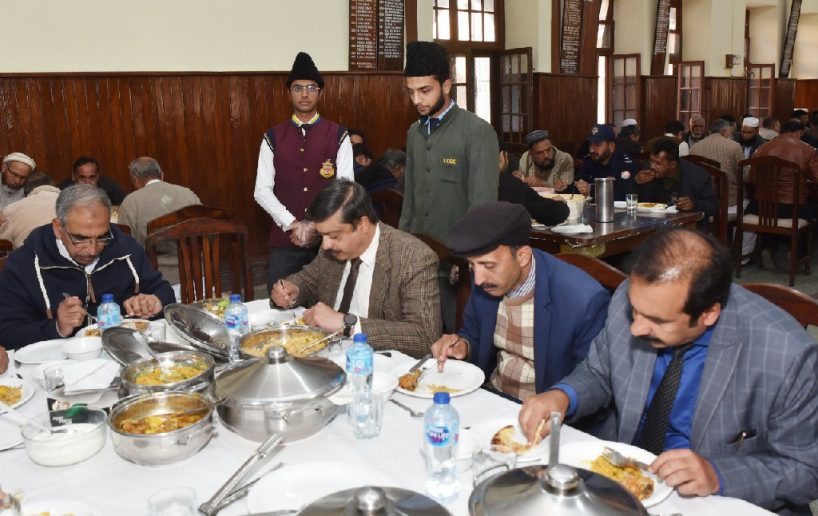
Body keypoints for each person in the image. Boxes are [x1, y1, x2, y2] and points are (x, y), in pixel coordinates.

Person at [518, 228, 818, 513]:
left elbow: (807, 469)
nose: (636, 328)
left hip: (716, 501)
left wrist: (718, 475)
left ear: (709, 314)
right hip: (627, 481)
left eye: (657, 321)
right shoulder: (631, 298)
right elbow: (599, 372)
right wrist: (564, 395)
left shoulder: (787, 357)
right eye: (635, 312)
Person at [431, 202, 609, 402]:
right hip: (493, 397)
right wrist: (463, 346)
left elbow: (594, 379)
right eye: (472, 265)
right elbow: (473, 333)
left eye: (488, 265)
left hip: (544, 410)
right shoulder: (486, 279)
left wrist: (560, 398)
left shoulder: (582, 300)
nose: (478, 279)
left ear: (523, 256)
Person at [271, 180, 441, 358]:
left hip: (376, 362)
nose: (326, 244)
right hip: (326, 353)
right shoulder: (331, 248)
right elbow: (309, 278)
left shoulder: (413, 257)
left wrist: (348, 325)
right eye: (322, 235)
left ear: (363, 225)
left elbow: (425, 336)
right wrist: (292, 289)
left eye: (334, 236)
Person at [0, 185, 176, 348]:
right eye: (80, 239)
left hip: (125, 350)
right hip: (57, 363)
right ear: (58, 228)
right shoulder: (23, 264)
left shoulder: (125, 247)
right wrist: (56, 327)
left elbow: (164, 291)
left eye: (102, 237)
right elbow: (7, 333)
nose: (92, 250)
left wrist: (154, 301)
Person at [400, 40, 498, 332]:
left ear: (446, 85)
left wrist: (466, 258)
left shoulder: (477, 131)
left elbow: (483, 207)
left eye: (425, 90)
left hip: (458, 264)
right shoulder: (414, 133)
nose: (417, 100)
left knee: (459, 338)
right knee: (421, 336)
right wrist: (402, 248)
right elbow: (410, 200)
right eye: (411, 92)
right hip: (420, 259)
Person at [254, 51, 354, 292]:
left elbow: (346, 189)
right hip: (285, 240)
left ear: (320, 92)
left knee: (329, 303)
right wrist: (293, 224)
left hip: (329, 239)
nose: (305, 94)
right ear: (289, 93)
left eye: (311, 88)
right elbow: (261, 190)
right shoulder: (273, 137)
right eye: (298, 88)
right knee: (281, 302)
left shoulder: (338, 135)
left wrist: (315, 225)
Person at [634, 138, 718, 227]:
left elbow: (714, 206)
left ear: (672, 165)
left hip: (688, 228)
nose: (652, 166)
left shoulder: (697, 176)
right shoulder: (646, 170)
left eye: (658, 163)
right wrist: (636, 182)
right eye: (651, 161)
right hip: (653, 226)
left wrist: (694, 205)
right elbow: (635, 202)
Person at [118, 157, 201, 246]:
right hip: (194, 254)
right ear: (162, 175)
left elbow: (125, 243)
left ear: (135, 180)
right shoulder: (188, 194)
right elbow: (205, 227)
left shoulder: (130, 202)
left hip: (151, 255)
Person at [574, 124, 638, 201]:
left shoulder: (625, 163)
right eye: (591, 145)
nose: (591, 150)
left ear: (611, 146)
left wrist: (592, 191)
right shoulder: (589, 161)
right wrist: (578, 186)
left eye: (598, 145)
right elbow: (575, 186)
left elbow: (625, 196)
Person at [0, 171, 60, 249]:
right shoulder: (72, 202)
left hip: (31, 255)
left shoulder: (12, 209)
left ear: (25, 193)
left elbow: (3, 241)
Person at [58, 156, 126, 206]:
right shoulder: (63, 191)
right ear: (73, 177)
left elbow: (125, 203)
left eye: (92, 177)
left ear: (97, 177)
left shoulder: (108, 185)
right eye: (82, 178)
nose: (87, 182)